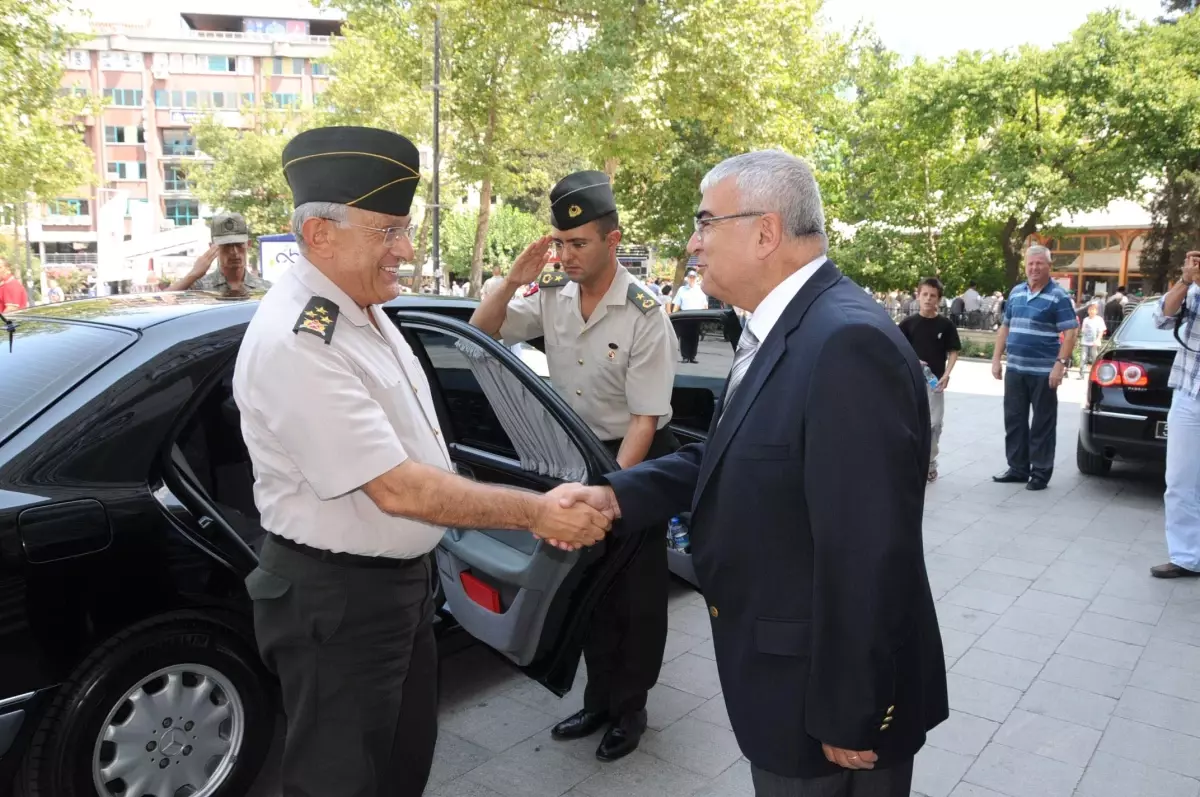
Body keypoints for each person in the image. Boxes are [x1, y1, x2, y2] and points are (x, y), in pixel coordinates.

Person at [233, 126, 611, 797]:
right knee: (339, 779)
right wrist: (536, 510)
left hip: (395, 587)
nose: (405, 250)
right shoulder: (301, 338)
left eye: (405, 229)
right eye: (388, 231)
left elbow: (418, 444)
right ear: (320, 235)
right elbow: (401, 489)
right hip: (337, 600)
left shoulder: (364, 310)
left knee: (402, 764)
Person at [557, 150, 947, 797]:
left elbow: (870, 552)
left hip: (822, 706)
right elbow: (730, 454)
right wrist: (612, 495)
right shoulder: (781, 325)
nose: (692, 241)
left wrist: (851, 710)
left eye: (706, 222)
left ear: (765, 232)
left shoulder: (845, 343)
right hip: (786, 684)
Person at [470, 170, 679, 762]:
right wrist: (514, 279)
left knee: (634, 598)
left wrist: (608, 494)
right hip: (575, 460)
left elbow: (643, 420)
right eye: (560, 244)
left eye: (578, 244)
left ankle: (630, 708)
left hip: (633, 463)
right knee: (585, 586)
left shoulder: (644, 313)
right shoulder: (554, 296)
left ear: (613, 242)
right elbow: (482, 331)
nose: (565, 256)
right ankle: (597, 699)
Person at [990, 245, 1079, 491]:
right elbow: (1005, 328)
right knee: (1015, 420)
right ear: (1025, 266)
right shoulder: (1016, 292)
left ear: (1049, 266)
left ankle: (1040, 472)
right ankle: (1018, 468)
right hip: (1016, 369)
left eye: (1039, 263)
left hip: (1043, 372)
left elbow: (1070, 332)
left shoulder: (1058, 296)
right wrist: (997, 359)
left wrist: (1060, 365)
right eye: (1030, 263)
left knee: (1042, 423)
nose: (1034, 268)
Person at [1151, 251, 1200, 579]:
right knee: (1180, 481)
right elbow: (1161, 317)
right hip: (1188, 392)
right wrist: (1185, 280)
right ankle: (1187, 557)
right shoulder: (1192, 288)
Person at [899, 277, 961, 484]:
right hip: (911, 381)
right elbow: (898, 349)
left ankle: (930, 461)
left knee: (934, 423)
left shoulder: (946, 325)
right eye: (924, 294)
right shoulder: (907, 324)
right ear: (918, 296)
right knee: (911, 421)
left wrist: (946, 374)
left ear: (939, 299)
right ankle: (912, 461)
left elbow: (953, 351)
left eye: (932, 296)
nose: (928, 299)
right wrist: (914, 361)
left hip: (935, 382)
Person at [168, 212, 270, 295]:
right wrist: (193, 275)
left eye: (239, 244)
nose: (234, 252)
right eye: (226, 245)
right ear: (212, 247)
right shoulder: (200, 288)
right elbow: (160, 304)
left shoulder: (265, 289)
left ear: (248, 244)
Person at [672, 270, 708, 362]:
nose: (691, 279)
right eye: (690, 277)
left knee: (695, 336)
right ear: (687, 278)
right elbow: (677, 304)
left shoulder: (701, 289)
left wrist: (706, 316)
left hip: (697, 315)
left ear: (696, 278)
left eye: (693, 277)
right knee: (684, 336)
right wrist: (673, 315)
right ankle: (685, 356)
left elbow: (705, 304)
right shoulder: (682, 289)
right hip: (685, 315)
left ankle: (692, 356)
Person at [1079, 302, 1107, 378]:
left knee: (1094, 357)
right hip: (1085, 341)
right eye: (1090, 309)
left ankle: (1096, 373)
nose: (1092, 311)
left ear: (1096, 311)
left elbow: (1102, 330)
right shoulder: (1085, 320)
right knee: (1083, 357)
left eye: (1093, 310)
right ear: (1088, 310)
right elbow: (1083, 330)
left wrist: (1098, 339)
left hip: (1094, 342)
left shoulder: (1099, 319)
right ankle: (1081, 373)